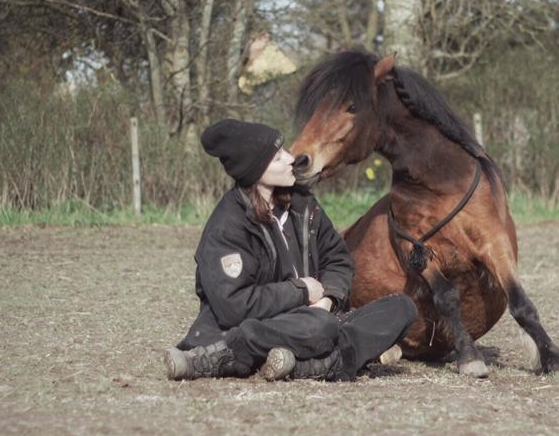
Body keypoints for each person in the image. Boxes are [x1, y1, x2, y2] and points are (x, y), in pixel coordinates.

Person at [165, 118, 417, 382]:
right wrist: (302, 290)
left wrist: (328, 299)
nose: (290, 159)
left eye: (284, 150)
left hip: (314, 318)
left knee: (402, 307)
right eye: (277, 158)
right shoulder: (226, 227)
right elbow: (235, 306)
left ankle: (305, 363)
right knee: (321, 328)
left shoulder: (302, 204)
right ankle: (246, 353)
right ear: (254, 172)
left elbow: (338, 259)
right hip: (255, 325)